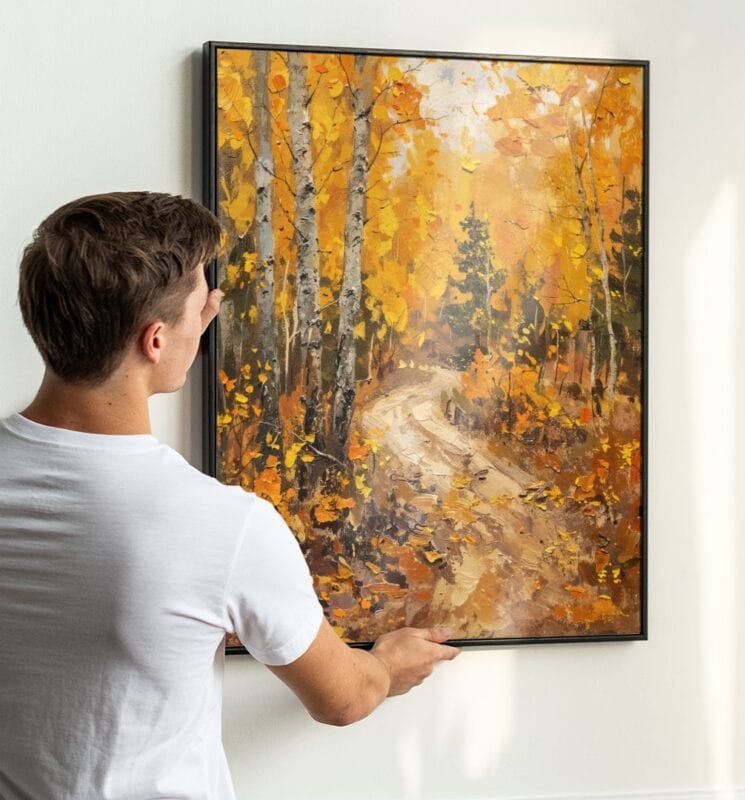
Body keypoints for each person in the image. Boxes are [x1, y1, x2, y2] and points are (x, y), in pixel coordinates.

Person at [0, 192, 460, 799]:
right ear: (155, 340)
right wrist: (387, 666)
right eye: (201, 305)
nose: (209, 313)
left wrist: (185, 314)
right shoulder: (221, 524)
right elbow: (343, 699)